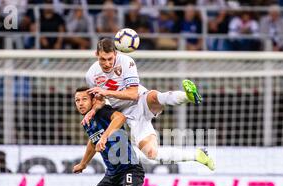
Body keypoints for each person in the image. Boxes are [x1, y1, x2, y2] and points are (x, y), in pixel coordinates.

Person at [83, 38, 215, 170]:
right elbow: (100, 100)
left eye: (110, 59)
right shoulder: (91, 75)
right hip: (130, 116)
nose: (106, 63)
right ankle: (198, 155)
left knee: (155, 97)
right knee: (151, 153)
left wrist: (107, 92)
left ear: (115, 54)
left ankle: (188, 97)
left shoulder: (126, 62)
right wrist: (93, 111)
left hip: (141, 100)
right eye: (102, 59)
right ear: (96, 55)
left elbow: (133, 94)